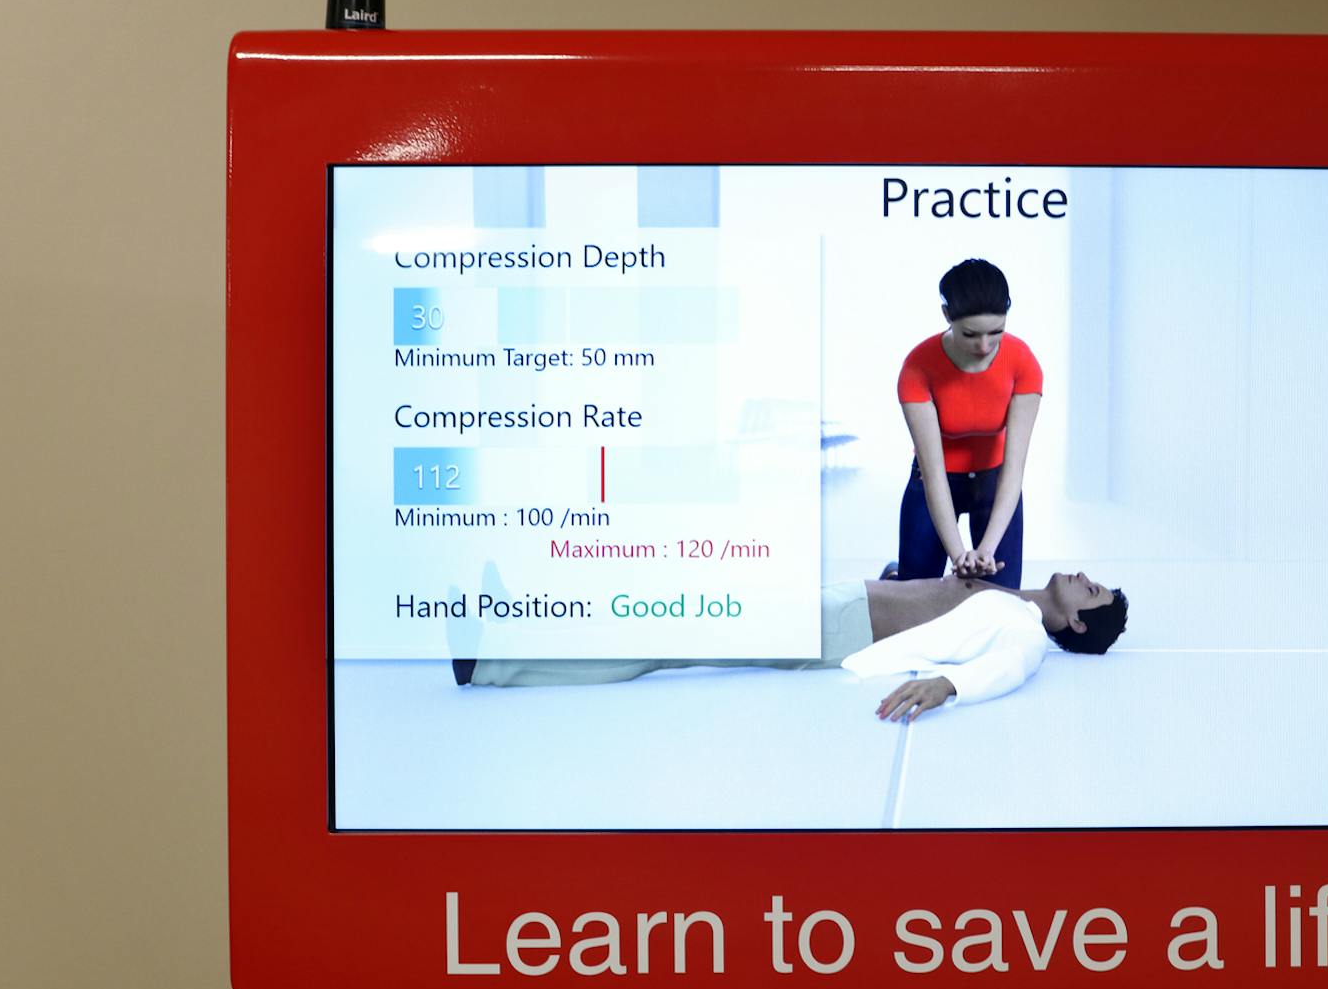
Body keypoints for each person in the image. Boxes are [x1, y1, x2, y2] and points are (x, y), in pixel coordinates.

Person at [459, 571, 1130, 721]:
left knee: (671, 636)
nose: (1083, 578)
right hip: (835, 602)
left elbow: (1006, 671)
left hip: (839, 632)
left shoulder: (1026, 634)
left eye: (1092, 593)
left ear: (1076, 626)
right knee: (675, 601)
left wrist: (948, 687)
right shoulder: (1009, 593)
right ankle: (516, 610)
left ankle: (497, 657)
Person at [894, 259, 1041, 590]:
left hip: (995, 479)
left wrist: (985, 551)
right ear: (947, 315)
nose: (985, 347)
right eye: (971, 335)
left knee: (1000, 594)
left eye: (996, 333)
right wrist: (959, 554)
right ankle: (893, 578)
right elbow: (932, 474)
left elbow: (1014, 469)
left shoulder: (1023, 363)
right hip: (936, 478)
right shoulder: (918, 367)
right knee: (915, 592)